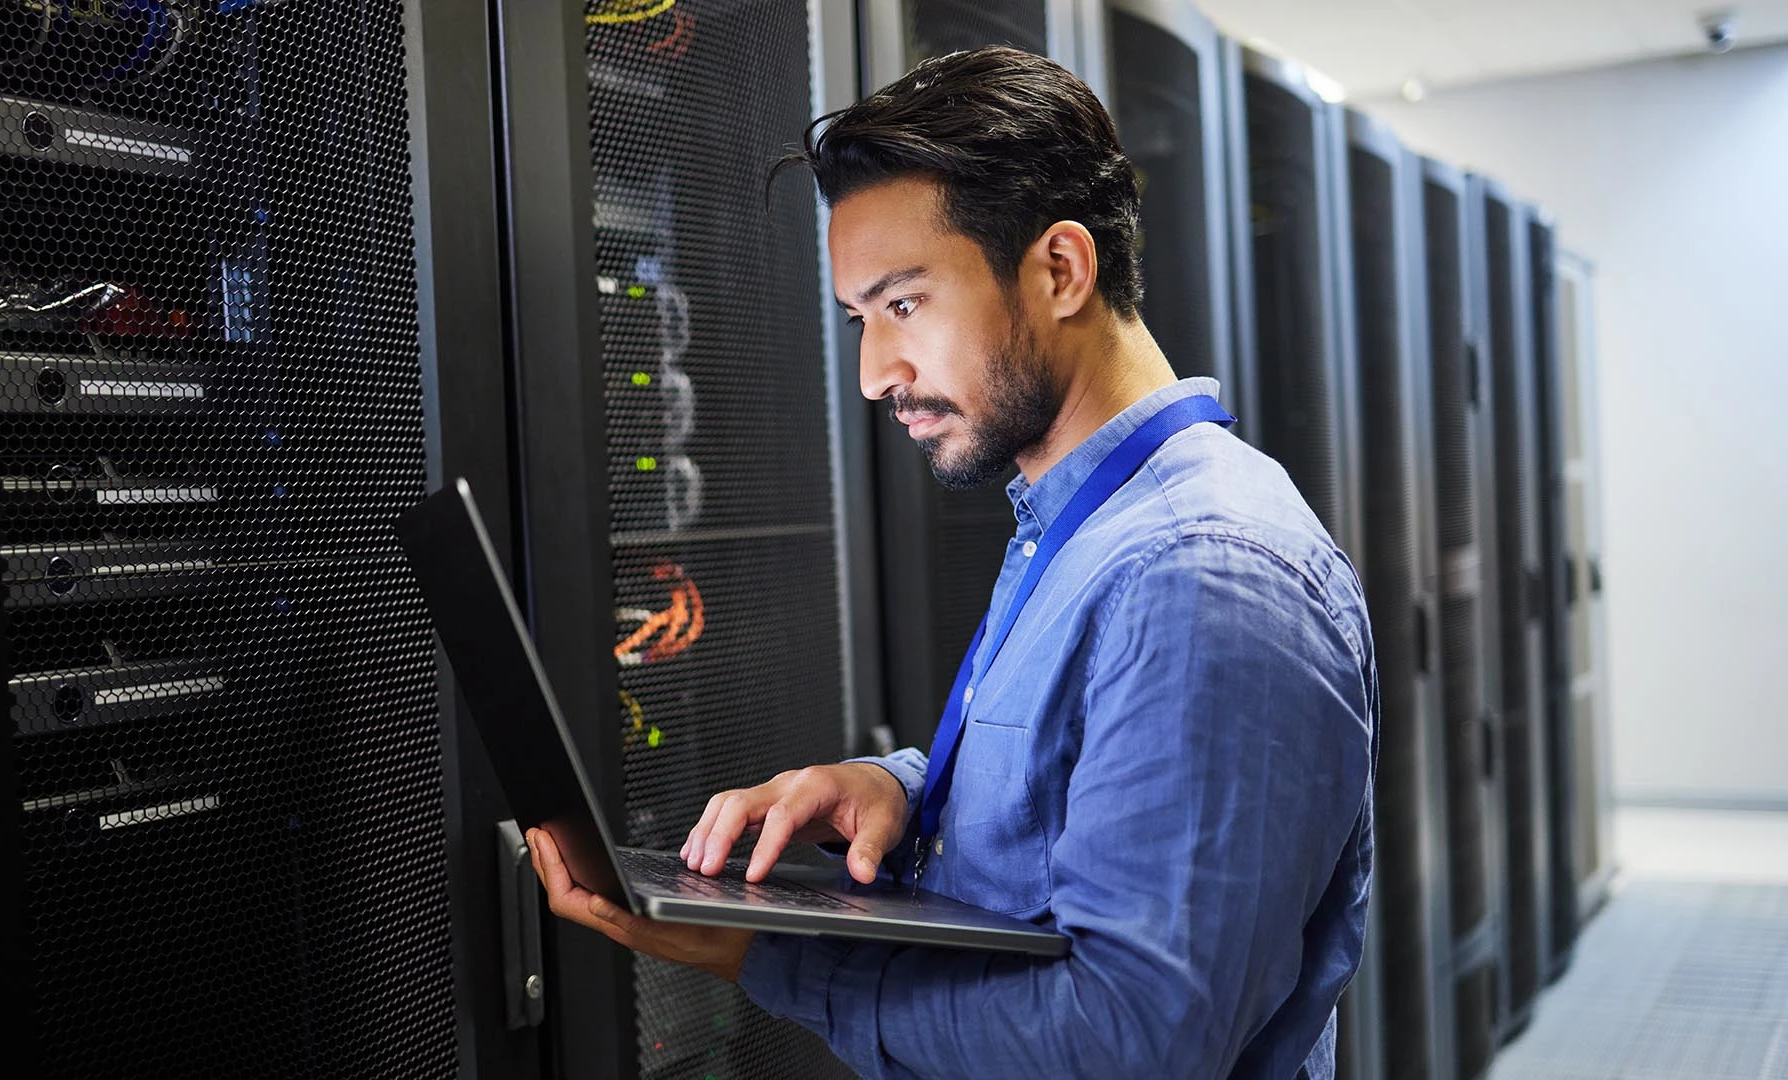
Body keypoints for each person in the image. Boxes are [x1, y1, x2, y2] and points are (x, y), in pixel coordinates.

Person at [525, 46, 1376, 1079]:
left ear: (1060, 269)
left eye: (905, 304)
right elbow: (1088, 788)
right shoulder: (1085, 526)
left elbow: (1134, 1042)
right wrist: (901, 792)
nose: (875, 374)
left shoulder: (1204, 576)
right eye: (858, 321)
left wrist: (779, 959)